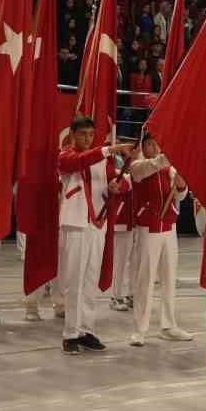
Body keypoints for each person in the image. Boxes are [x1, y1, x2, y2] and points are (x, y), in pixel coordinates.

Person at [58, 117, 134, 354]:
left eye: (91, 134)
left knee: (90, 280)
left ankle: (86, 329)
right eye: (83, 134)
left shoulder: (103, 160)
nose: (87, 139)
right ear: (72, 134)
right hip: (76, 223)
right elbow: (80, 161)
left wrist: (116, 187)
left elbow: (120, 183)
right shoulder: (66, 156)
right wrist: (109, 149)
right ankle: (70, 333)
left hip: (98, 224)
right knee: (74, 281)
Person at [126, 134, 197, 346]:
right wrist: (178, 151)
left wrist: (182, 185)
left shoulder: (169, 167)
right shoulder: (137, 166)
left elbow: (181, 195)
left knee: (169, 278)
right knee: (145, 281)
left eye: (157, 144)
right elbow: (154, 165)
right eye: (150, 144)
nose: (154, 147)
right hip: (148, 228)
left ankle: (168, 325)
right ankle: (140, 330)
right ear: (142, 146)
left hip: (169, 227)